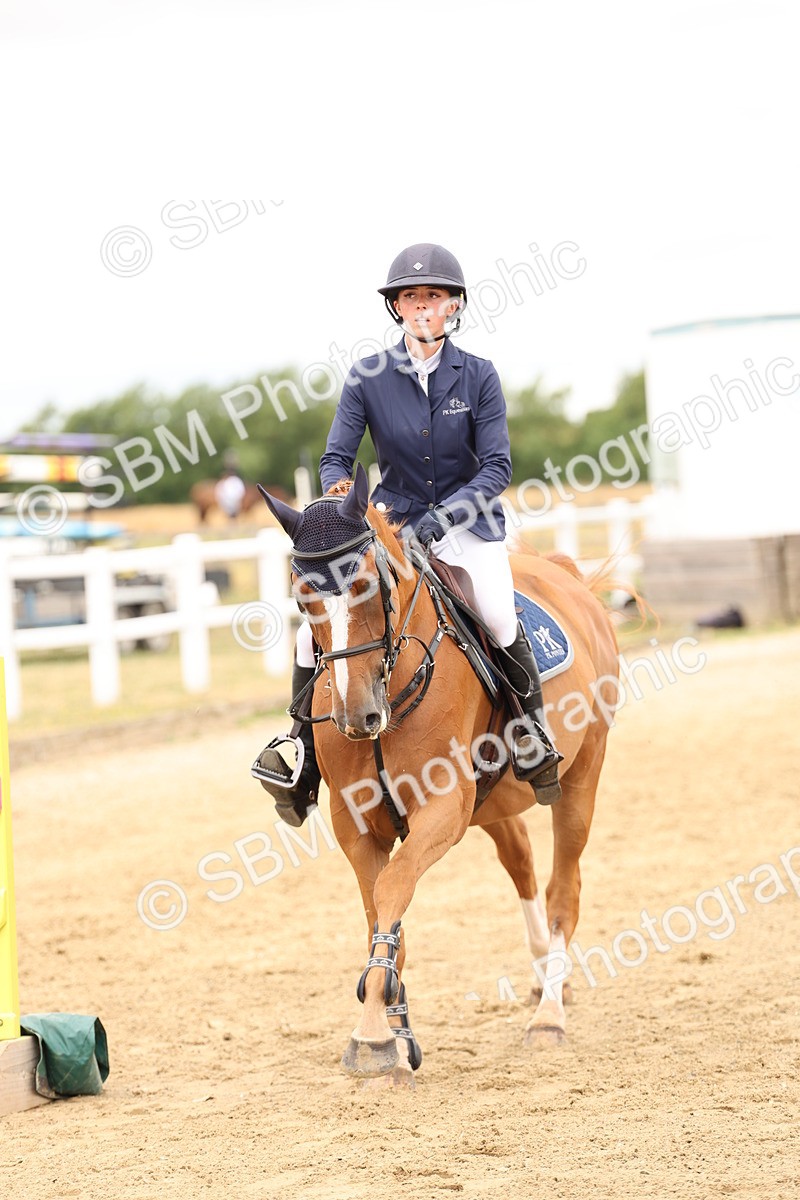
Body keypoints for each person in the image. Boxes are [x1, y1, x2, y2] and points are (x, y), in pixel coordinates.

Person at [254, 243, 562, 825]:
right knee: (308, 637)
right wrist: (338, 509)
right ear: (397, 307)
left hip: (467, 526)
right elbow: (336, 458)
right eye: (411, 297)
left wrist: (442, 519)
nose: (422, 306)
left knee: (497, 614)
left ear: (454, 306)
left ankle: (532, 735)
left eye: (434, 296)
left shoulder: (479, 376)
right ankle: (299, 755)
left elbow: (497, 467)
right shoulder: (368, 376)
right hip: (390, 528)